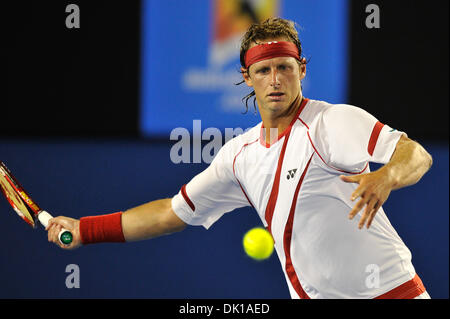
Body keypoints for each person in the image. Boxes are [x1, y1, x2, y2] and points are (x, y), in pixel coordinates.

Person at [47, 18, 433, 299]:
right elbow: (171, 213)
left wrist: (386, 177)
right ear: (248, 77)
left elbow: (415, 154)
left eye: (285, 67)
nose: (276, 79)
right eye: (264, 70)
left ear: (301, 70)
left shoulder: (332, 122)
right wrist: (86, 230)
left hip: (392, 292)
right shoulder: (238, 156)